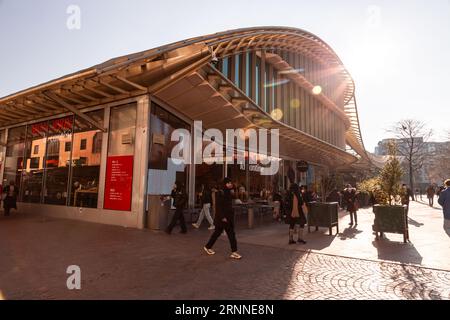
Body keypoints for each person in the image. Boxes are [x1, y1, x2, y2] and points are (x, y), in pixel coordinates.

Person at [204, 178, 242, 259]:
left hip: (227, 217)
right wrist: (223, 217)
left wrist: (233, 190)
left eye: (230, 183)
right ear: (225, 184)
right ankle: (234, 252)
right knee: (231, 234)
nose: (230, 184)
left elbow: (234, 198)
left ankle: (207, 247)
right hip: (224, 218)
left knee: (217, 233)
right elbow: (219, 206)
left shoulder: (228, 192)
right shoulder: (220, 192)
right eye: (228, 183)